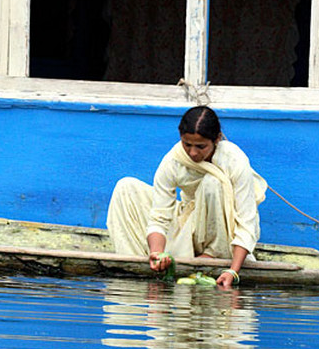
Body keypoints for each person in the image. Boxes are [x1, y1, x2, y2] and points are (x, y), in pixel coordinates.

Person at [106, 106, 266, 288]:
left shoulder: (234, 160)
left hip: (225, 238)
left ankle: (212, 255)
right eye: (187, 144)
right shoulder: (173, 160)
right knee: (126, 187)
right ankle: (141, 267)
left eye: (201, 146)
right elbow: (159, 216)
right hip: (190, 224)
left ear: (217, 139)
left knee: (213, 183)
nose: (193, 153)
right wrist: (157, 253)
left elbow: (247, 221)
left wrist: (232, 271)